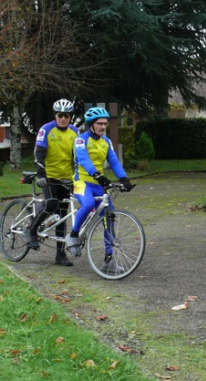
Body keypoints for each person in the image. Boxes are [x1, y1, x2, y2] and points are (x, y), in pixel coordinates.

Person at [66, 107, 134, 272]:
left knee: (109, 217)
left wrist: (124, 179)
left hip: (98, 184)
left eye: (105, 124)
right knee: (88, 204)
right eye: (99, 124)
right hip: (81, 182)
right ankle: (73, 235)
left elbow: (114, 161)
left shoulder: (106, 141)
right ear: (91, 125)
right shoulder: (81, 140)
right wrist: (97, 174)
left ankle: (108, 260)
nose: (103, 127)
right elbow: (83, 160)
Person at [26, 99, 80, 266]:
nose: (63, 118)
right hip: (49, 176)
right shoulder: (46, 130)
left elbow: (78, 156)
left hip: (66, 178)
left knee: (62, 217)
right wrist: (41, 174)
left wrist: (79, 176)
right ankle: (31, 230)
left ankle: (60, 255)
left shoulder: (74, 132)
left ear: (70, 117)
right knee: (51, 204)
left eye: (66, 115)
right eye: (60, 115)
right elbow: (39, 154)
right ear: (55, 115)